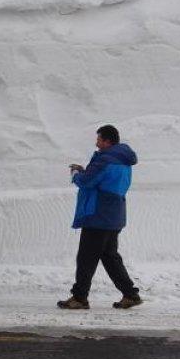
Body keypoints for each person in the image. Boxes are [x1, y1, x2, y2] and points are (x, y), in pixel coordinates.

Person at [58, 124, 142, 310]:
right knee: (110, 257)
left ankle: (80, 298)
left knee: (86, 258)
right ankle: (130, 294)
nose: (96, 143)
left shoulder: (105, 160)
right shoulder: (123, 160)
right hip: (114, 215)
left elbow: (87, 182)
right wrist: (86, 170)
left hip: (98, 215)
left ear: (107, 141)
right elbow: (102, 180)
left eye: (99, 139)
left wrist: (77, 174)